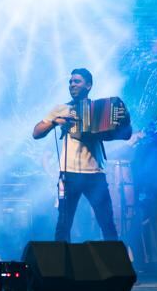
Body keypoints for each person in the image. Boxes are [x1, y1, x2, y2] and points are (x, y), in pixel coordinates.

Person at [32, 68, 124, 242]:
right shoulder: (62, 109)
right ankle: (60, 266)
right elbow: (36, 133)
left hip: (95, 173)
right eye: (71, 82)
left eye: (77, 81)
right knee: (64, 224)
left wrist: (123, 121)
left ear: (88, 85)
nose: (72, 85)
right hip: (69, 173)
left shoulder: (102, 108)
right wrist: (54, 121)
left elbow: (121, 133)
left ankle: (114, 265)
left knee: (107, 223)